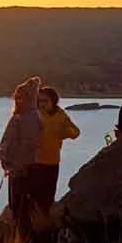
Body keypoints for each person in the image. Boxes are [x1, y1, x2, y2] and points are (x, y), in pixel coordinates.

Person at [0, 76, 42, 237]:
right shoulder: (36, 117)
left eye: (20, 96)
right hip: (29, 168)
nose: (17, 99)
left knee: (17, 206)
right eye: (17, 96)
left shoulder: (21, 118)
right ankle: (25, 241)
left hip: (18, 169)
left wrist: (7, 161)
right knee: (24, 207)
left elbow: (13, 144)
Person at [33, 87, 80, 216]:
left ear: (53, 101)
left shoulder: (61, 115)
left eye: (45, 101)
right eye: (39, 101)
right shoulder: (34, 114)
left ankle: (45, 223)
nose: (41, 104)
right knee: (35, 198)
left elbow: (76, 132)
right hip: (34, 162)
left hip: (52, 161)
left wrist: (64, 133)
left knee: (48, 196)